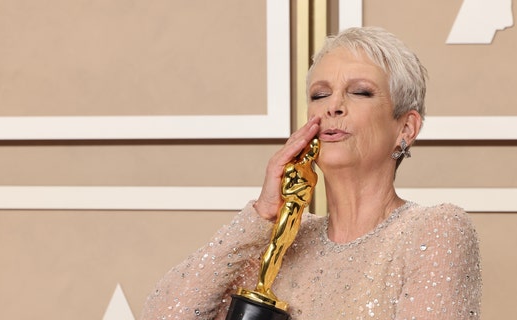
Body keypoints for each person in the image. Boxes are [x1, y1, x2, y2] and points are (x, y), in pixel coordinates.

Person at [142, 26, 482, 319]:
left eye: (360, 92)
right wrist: (261, 215)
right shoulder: (282, 242)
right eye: (320, 94)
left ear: (406, 128)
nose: (333, 106)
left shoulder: (434, 231)